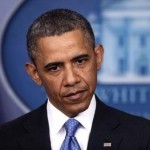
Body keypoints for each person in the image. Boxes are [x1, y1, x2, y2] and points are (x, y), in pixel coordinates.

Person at [0, 8, 150, 150]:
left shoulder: (143, 137)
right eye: (55, 68)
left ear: (98, 57)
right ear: (35, 74)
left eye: (80, 61)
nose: (71, 80)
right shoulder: (5, 139)